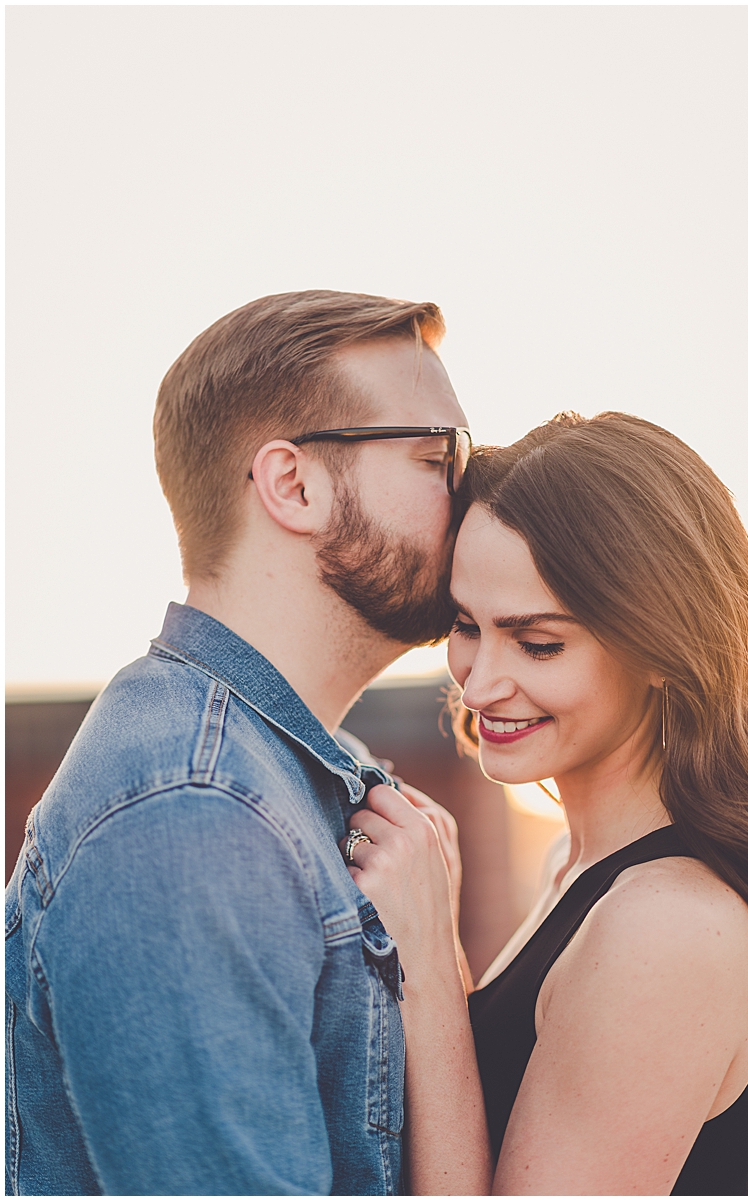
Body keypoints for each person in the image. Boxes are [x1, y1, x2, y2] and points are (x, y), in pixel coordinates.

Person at [5, 290, 471, 1194]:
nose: (472, 489)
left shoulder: (289, 772)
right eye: (437, 455)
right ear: (292, 484)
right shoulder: (193, 819)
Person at [343, 412, 748, 1194]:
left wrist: (423, 971)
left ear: (662, 647)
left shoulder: (668, 925)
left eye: (538, 642)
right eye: (465, 625)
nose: (478, 683)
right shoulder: (580, 867)